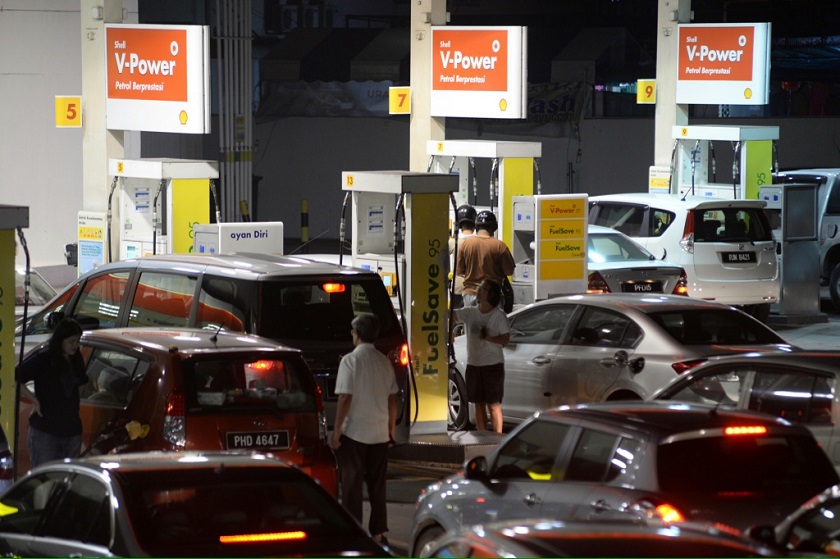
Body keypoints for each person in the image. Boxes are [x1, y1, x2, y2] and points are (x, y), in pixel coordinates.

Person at [330, 314, 398, 545]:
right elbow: (393, 398)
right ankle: (378, 534)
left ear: (357, 334)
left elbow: (345, 398)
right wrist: (391, 430)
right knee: (378, 488)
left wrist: (336, 431)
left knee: (351, 486)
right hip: (379, 434)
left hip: (354, 434)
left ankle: (354, 533)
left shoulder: (350, 361)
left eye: (352, 332)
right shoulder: (384, 361)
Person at [16, 317, 88, 467]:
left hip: (72, 431)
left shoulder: (76, 359)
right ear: (61, 340)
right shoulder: (43, 359)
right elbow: (16, 378)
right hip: (45, 431)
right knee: (45, 480)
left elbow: (81, 384)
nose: (75, 345)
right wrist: (34, 400)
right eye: (71, 341)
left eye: (77, 341)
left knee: (67, 482)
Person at [454, 279, 510, 433]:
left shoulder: (499, 316)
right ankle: (482, 436)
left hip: (493, 366)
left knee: (493, 404)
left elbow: (505, 339)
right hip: (474, 364)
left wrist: (489, 338)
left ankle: (497, 439)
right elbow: (450, 315)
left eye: (483, 289)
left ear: (491, 295)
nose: (479, 290)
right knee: (478, 403)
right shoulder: (470, 312)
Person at [456, 210, 515, 308]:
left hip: (469, 295)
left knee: (471, 323)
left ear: (477, 226)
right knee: (493, 323)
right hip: (491, 297)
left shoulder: (465, 244)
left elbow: (459, 271)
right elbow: (509, 271)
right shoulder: (500, 246)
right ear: (494, 227)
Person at [449, 204, 477, 309]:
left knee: (457, 319)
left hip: (458, 287)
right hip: (475, 288)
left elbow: (439, 257)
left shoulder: (454, 241)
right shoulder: (479, 241)